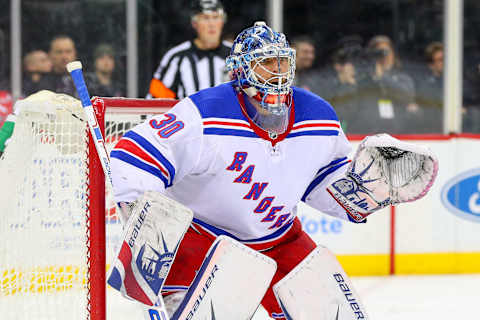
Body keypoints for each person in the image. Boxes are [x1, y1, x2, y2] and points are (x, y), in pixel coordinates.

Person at [109, 22, 437, 318]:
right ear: (240, 71)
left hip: (281, 240)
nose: (277, 71)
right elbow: (136, 152)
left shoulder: (318, 115)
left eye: (281, 61)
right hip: (202, 241)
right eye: (266, 63)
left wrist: (369, 189)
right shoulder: (204, 113)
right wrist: (139, 210)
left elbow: (324, 186)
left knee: (335, 315)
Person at [146, 0, 231, 99]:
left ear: (222, 21)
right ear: (194, 23)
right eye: (205, 18)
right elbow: (155, 101)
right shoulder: (177, 57)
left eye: (216, 17)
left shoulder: (236, 55)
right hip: (189, 114)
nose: (211, 24)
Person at [356, 35, 418, 134]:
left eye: (387, 51)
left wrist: (383, 77)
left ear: (393, 54)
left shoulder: (402, 78)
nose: (384, 56)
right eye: (379, 53)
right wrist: (374, 76)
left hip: (398, 134)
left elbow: (407, 97)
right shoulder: (364, 80)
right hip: (369, 133)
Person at [413, 41, 444, 133]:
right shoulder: (422, 85)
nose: (445, 62)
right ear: (431, 65)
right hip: (430, 132)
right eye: (441, 59)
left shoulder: (459, 83)